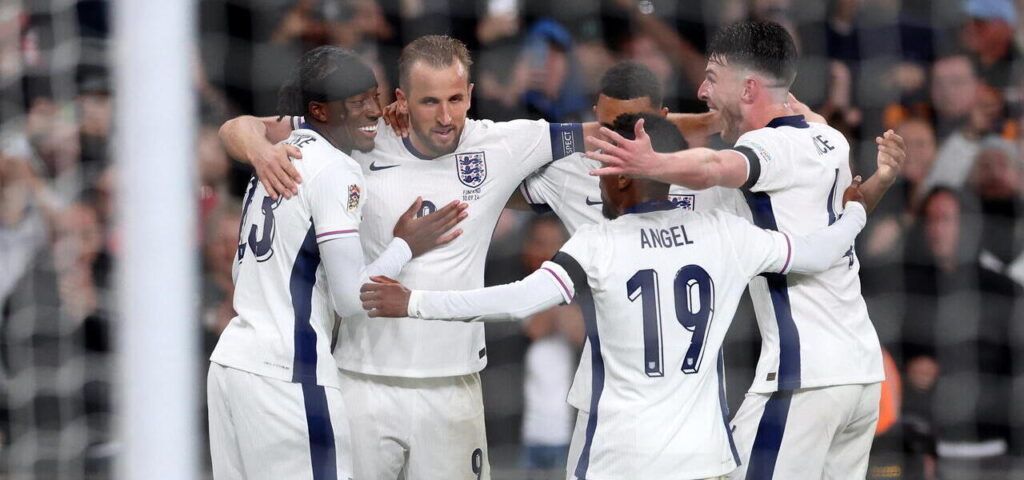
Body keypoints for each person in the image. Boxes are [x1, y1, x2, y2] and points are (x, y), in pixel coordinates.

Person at [217, 36, 727, 479]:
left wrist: (708, 121)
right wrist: (261, 152)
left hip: (454, 386)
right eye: (429, 101)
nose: (445, 116)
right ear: (399, 100)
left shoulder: (506, 143)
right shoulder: (360, 131)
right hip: (360, 381)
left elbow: (616, 131)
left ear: (472, 96)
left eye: (456, 99)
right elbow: (241, 126)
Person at [359, 114, 870, 479]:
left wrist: (414, 302)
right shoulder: (725, 234)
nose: (596, 179)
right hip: (703, 461)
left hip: (616, 460)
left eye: (601, 166)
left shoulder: (597, 244)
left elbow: (516, 301)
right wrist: (856, 211)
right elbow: (819, 252)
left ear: (625, 174)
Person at [588, 21, 904, 479]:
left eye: (713, 78)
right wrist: (880, 182)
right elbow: (843, 220)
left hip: (803, 379)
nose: (701, 90)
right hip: (861, 376)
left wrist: (650, 162)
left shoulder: (766, 146)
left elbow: (718, 165)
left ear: (749, 87)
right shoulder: (829, 140)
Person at [206, 46, 466, 480]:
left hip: (232, 366)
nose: (373, 111)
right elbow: (350, 298)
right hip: (288, 374)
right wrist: (404, 244)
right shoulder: (337, 171)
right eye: (356, 102)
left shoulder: (274, 155)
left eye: (374, 96)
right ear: (319, 112)